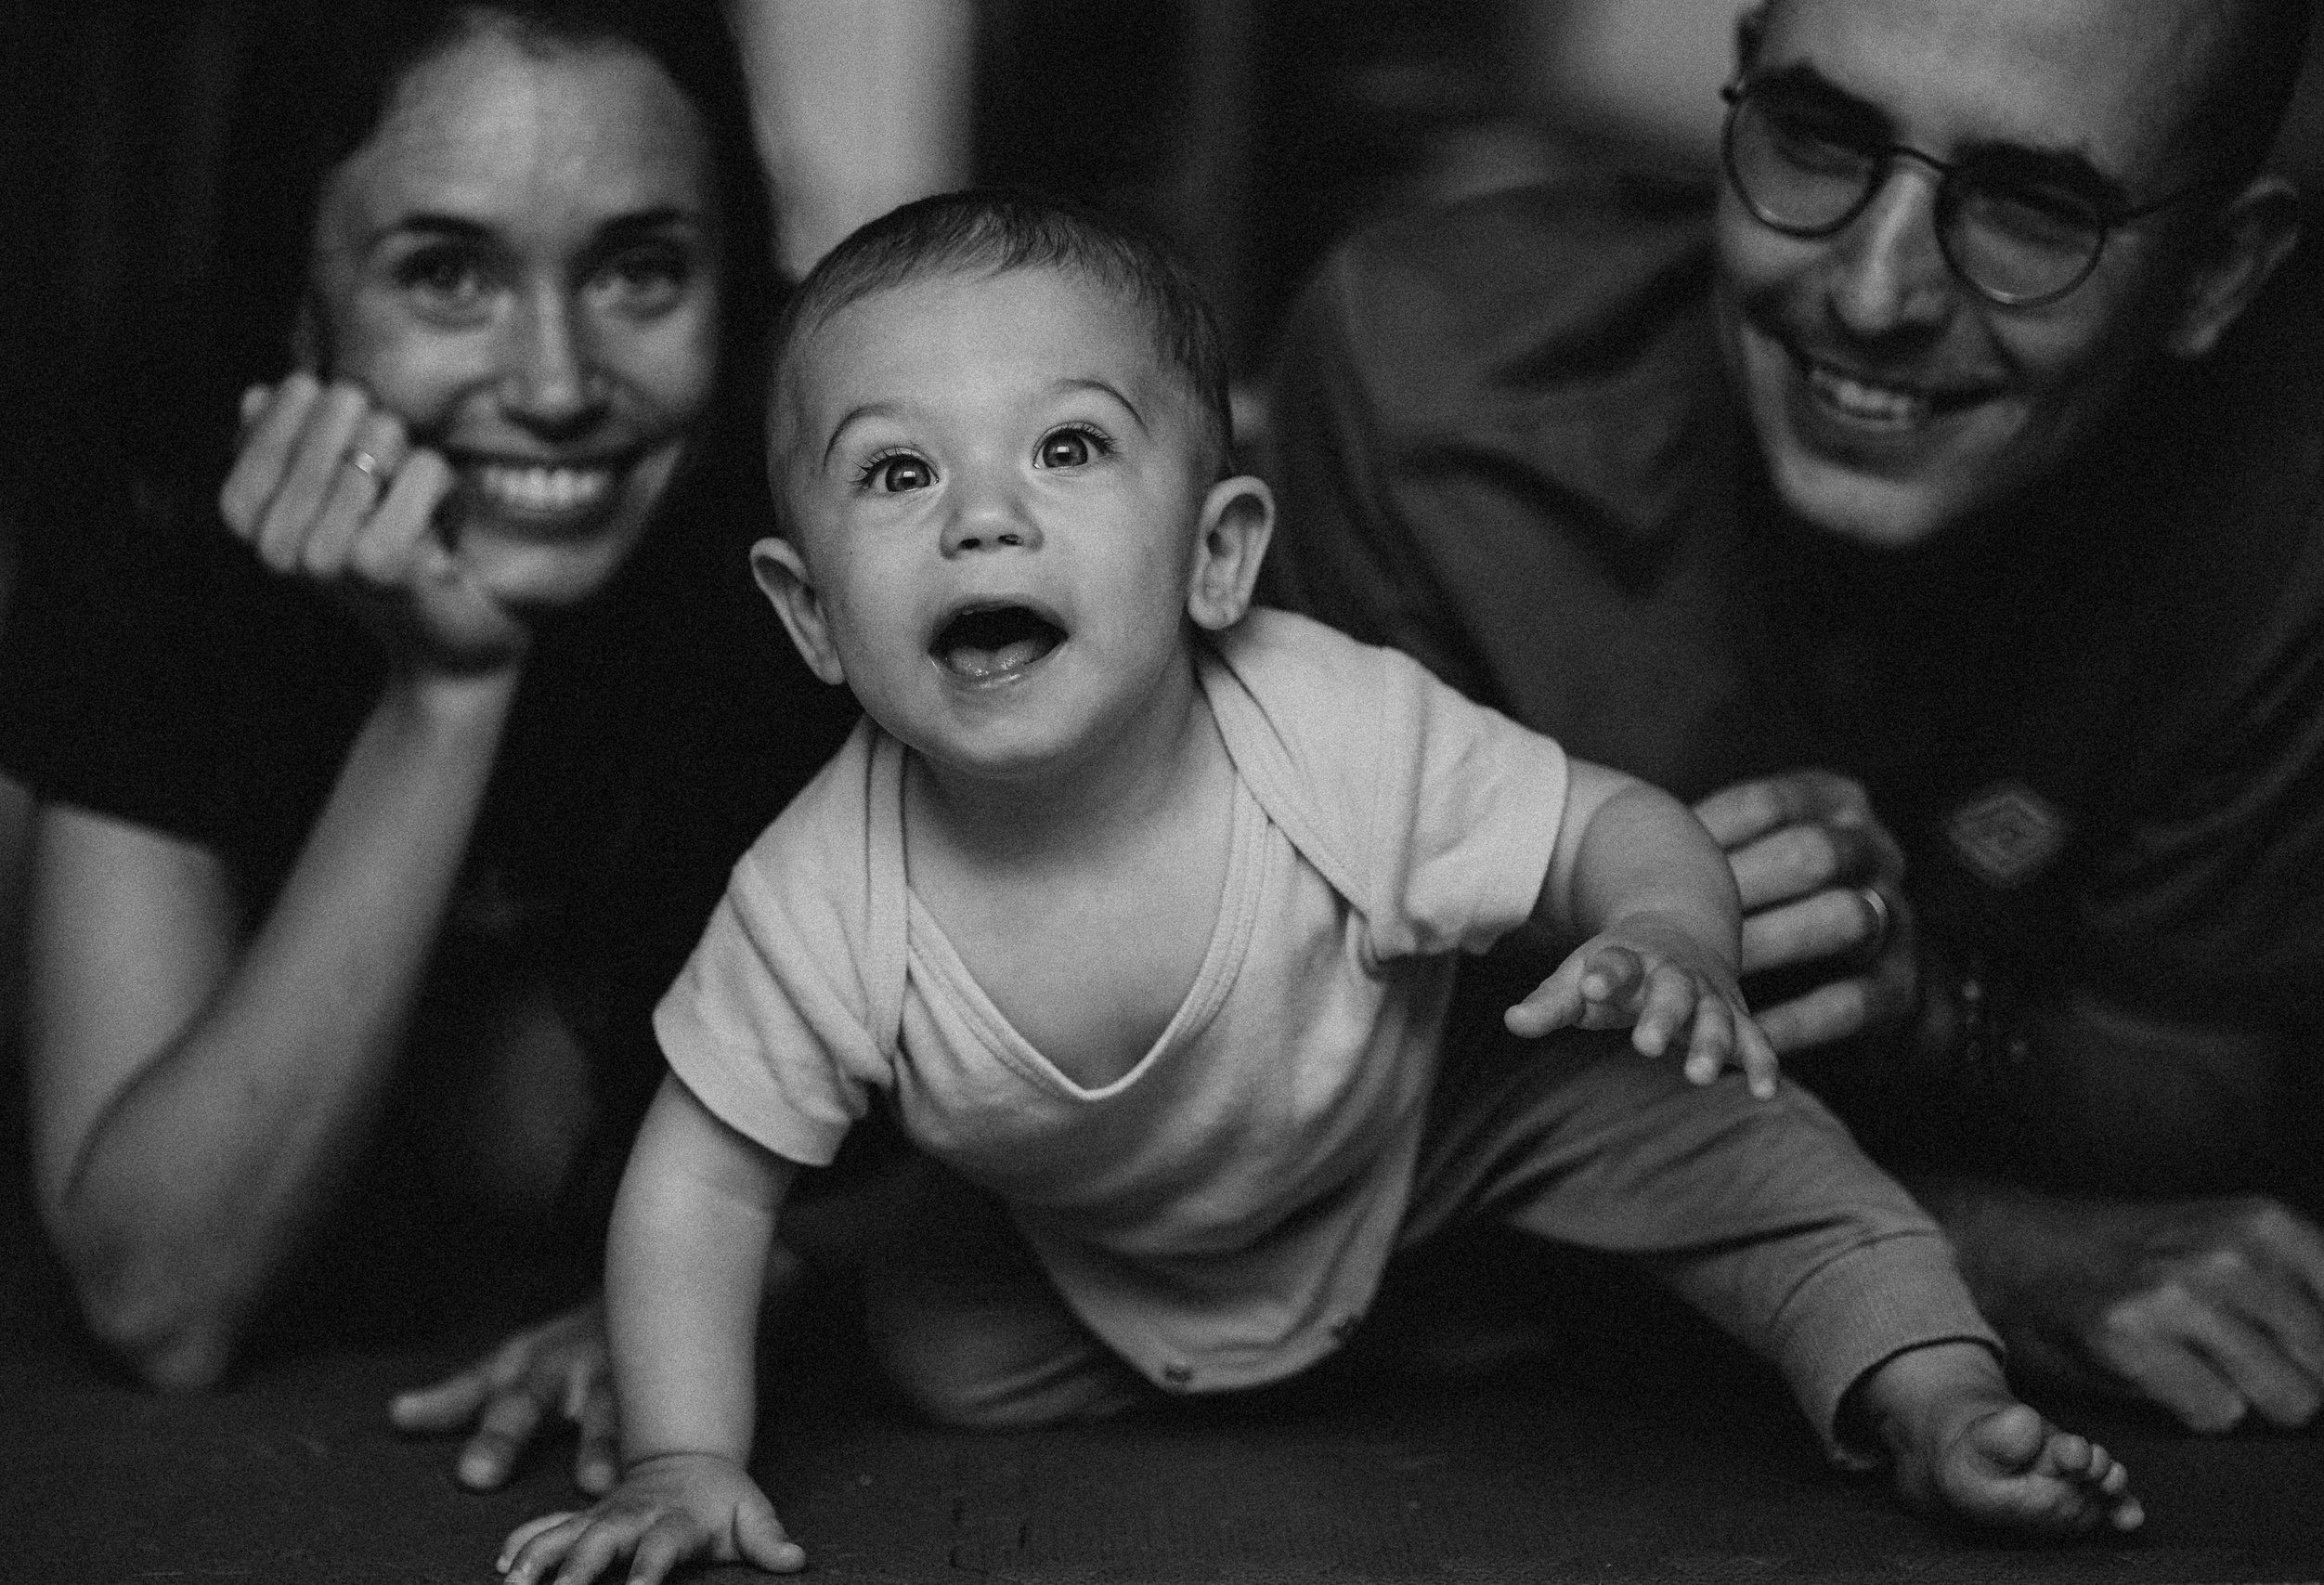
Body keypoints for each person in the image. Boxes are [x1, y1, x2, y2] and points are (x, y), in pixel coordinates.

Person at [494, 192, 2142, 1585]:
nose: (986, 518)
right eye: (899, 475)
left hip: (1438, 1109)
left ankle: (1934, 1396)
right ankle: (1443, 1315)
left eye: (1069, 447)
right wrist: (681, 1453)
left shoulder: (1327, 728)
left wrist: (1666, 931)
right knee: (940, 1349)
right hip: (1109, 1246)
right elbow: (701, 1183)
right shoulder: (815, 899)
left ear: (1218, 556)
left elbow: (1604, 824)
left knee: (1748, 1141)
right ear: (809, 615)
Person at [1262, 0, 2324, 1437]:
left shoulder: (2308, 500)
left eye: (2036, 209)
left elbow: (2228, 1086)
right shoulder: (1419, 385)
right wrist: (1953, 1247)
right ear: (1739, 95)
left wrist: (1932, 1014)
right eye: (1820, 137)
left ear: (2218, 276)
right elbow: (1265, 1105)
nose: (1872, 293)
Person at [0, 0, 854, 1495]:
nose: (555, 382)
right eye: (446, 274)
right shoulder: (149, 474)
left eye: (641, 270)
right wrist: (445, 696)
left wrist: (742, 1278)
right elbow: (161, 1294)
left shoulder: (821, 530)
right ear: (295, 310)